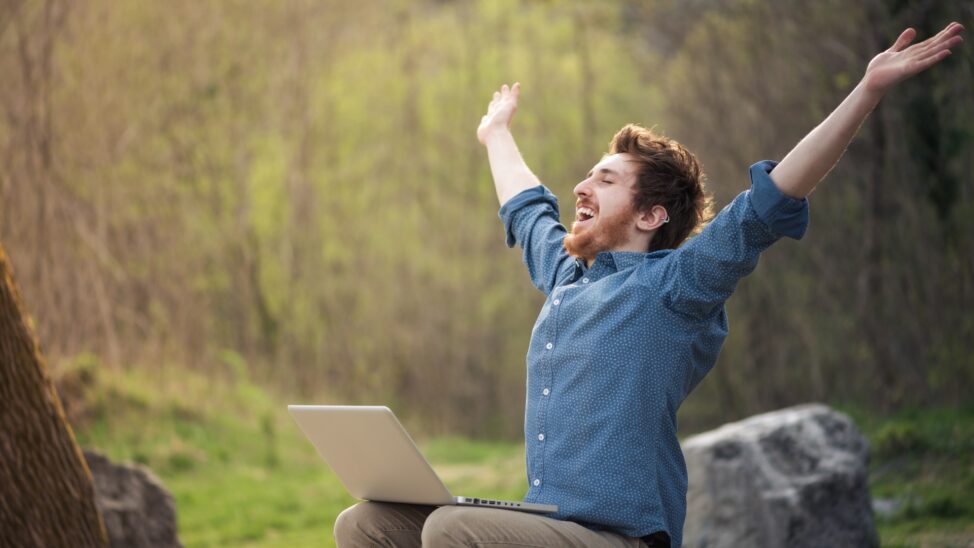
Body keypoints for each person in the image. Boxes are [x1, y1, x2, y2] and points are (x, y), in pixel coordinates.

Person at [334, 21, 964, 548]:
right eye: (587, 175)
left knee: (452, 529)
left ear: (649, 215)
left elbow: (769, 202)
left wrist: (867, 90)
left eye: (605, 180)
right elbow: (525, 207)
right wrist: (496, 131)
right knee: (366, 524)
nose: (581, 187)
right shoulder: (565, 276)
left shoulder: (675, 287)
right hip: (546, 525)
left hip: (618, 538)